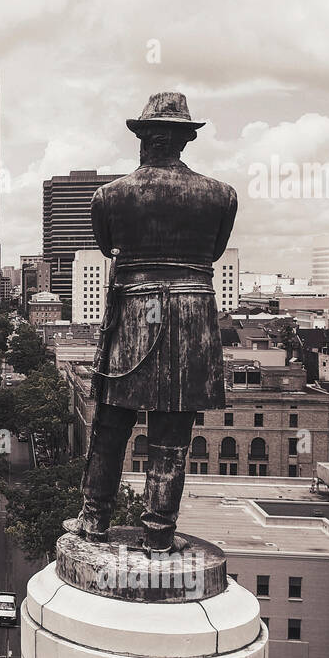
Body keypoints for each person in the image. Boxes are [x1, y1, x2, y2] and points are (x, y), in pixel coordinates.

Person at [66, 92, 238, 553]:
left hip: (135, 312)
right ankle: (159, 532)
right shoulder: (221, 196)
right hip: (194, 318)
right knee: (172, 432)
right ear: (186, 139)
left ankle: (94, 520)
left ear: (143, 138)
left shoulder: (110, 197)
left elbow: (108, 249)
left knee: (110, 422)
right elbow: (215, 253)